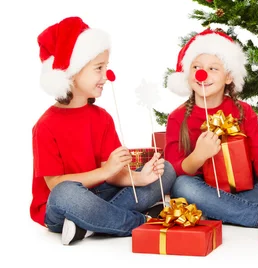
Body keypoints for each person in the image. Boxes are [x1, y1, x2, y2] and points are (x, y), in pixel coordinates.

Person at [31, 17, 176, 245]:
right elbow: (55, 185)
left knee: (165, 170)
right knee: (66, 193)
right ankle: (141, 222)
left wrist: (139, 178)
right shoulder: (45, 125)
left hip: (102, 194)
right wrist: (106, 171)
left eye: (106, 67)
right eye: (99, 68)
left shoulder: (102, 117)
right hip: (64, 204)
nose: (106, 76)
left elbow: (115, 174)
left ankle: (87, 224)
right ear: (72, 72)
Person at [165, 29, 258, 227]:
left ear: (228, 77)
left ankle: (215, 211)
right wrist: (199, 155)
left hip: (243, 187)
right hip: (202, 188)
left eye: (213, 69)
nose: (203, 74)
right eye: (197, 67)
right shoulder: (177, 117)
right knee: (182, 186)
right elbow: (173, 168)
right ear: (187, 74)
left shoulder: (244, 111)